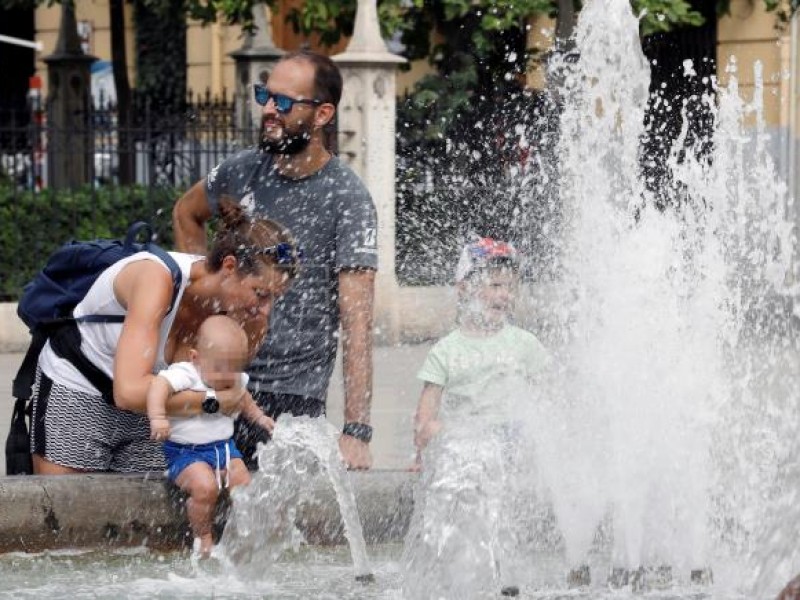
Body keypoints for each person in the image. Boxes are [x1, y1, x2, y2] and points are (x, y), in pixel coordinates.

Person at [172, 49, 377, 470]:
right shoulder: (241, 170)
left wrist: (356, 430)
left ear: (321, 114)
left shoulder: (347, 199)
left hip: (290, 398)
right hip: (218, 380)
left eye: (283, 102)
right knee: (199, 509)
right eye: (265, 95)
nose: (268, 109)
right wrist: (203, 307)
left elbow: (357, 321)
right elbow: (185, 213)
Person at [30, 212, 300, 475]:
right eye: (261, 294)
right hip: (81, 390)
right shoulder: (156, 279)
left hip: (158, 407)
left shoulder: (250, 320)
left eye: (275, 298)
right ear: (229, 267)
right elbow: (129, 392)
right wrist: (212, 402)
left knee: (152, 512)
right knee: (69, 508)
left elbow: (223, 386)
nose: (266, 310)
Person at [402, 237, 551, 598]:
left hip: (511, 444)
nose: (504, 295)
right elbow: (425, 416)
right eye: (495, 285)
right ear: (465, 287)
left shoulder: (525, 345)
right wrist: (429, 444)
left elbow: (548, 401)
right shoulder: (447, 351)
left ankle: (508, 578)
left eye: (511, 287)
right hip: (468, 451)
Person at [147, 314, 275, 557]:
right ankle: (203, 534)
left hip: (223, 448)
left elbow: (243, 398)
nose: (227, 378)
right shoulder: (186, 373)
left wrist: (260, 418)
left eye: (234, 369)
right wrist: (158, 418)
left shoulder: (231, 377)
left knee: (244, 485)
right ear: (196, 358)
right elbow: (157, 387)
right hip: (185, 452)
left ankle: (244, 533)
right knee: (205, 488)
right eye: (219, 369)